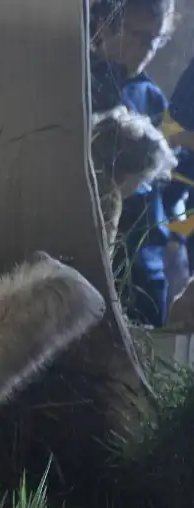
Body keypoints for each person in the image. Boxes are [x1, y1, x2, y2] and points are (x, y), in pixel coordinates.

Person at [89, 0, 180, 327]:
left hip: (146, 256)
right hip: (100, 246)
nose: (145, 49)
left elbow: (172, 179)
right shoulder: (83, 85)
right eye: (137, 35)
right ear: (106, 26)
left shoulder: (154, 98)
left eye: (153, 40)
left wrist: (176, 239)